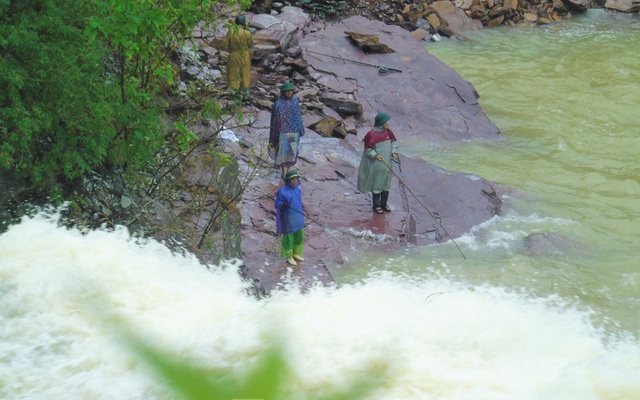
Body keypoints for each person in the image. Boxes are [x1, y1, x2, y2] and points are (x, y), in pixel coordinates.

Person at [357, 112, 399, 214]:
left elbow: (394, 142)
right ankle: (376, 205)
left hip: (387, 163)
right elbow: (368, 149)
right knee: (377, 184)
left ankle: (384, 203)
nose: (388, 123)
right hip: (377, 164)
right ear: (381, 123)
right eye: (386, 122)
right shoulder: (372, 135)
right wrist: (375, 155)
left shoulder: (389, 132)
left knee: (386, 184)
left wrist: (394, 152)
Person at [269, 82, 305, 179]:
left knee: (292, 152)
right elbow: (275, 120)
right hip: (283, 131)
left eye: (291, 91)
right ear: (283, 92)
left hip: (294, 130)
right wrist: (275, 132)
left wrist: (300, 128)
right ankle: (283, 171)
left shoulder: (295, 101)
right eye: (287, 92)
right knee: (282, 153)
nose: (289, 93)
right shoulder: (278, 104)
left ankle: (289, 170)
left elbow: (298, 116)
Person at [274, 169, 305, 266]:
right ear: (288, 180)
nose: (294, 181)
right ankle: (289, 256)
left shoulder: (298, 189)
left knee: (299, 235)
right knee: (288, 238)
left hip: (297, 216)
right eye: (292, 179)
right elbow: (276, 204)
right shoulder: (282, 192)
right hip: (287, 218)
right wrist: (283, 204)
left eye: (296, 179)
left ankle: (296, 253)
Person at [222, 15, 253, 100]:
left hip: (234, 54)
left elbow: (224, 45)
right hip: (245, 54)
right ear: (244, 23)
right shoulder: (247, 33)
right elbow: (251, 44)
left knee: (234, 73)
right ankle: (246, 93)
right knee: (245, 73)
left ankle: (236, 93)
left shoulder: (231, 32)